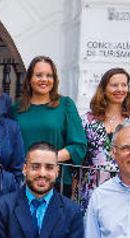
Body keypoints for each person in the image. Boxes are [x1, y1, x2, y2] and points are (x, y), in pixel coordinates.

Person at [74, 67, 130, 211]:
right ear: (104, 89)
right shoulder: (87, 121)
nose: (120, 89)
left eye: (124, 85)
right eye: (114, 85)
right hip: (94, 189)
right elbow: (80, 157)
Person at [12, 55, 86, 190]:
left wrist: (46, 160)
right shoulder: (16, 109)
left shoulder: (66, 106)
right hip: (22, 179)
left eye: (49, 75)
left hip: (57, 180)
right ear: (29, 79)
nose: (44, 79)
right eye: (39, 75)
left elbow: (78, 147)